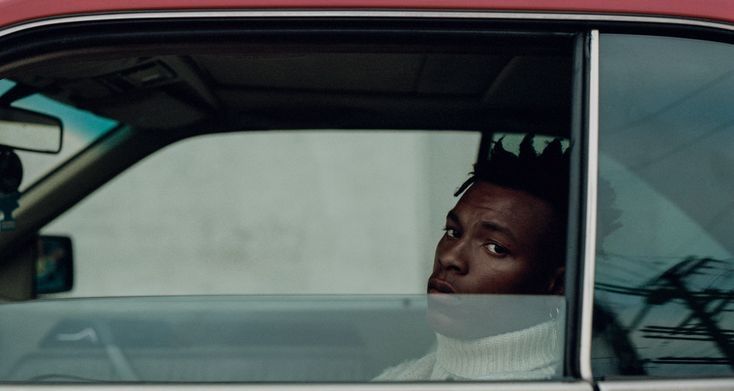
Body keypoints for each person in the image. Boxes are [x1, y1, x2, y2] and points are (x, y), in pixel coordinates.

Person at [375, 133, 569, 381]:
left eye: (496, 248)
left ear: (557, 285)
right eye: (453, 232)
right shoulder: (408, 376)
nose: (450, 257)